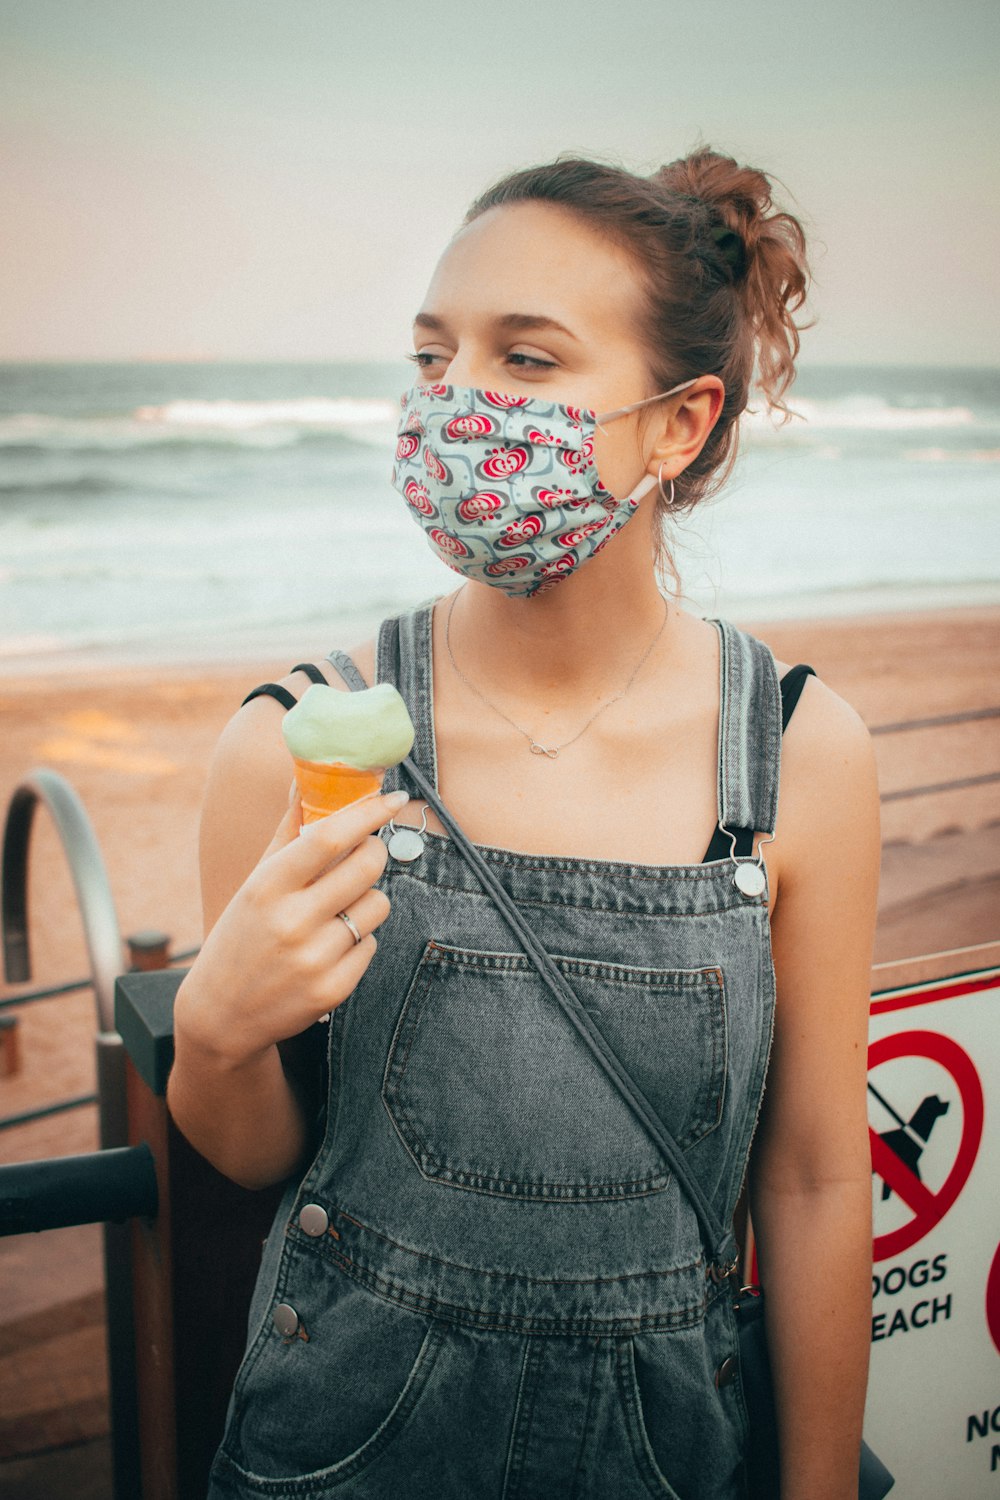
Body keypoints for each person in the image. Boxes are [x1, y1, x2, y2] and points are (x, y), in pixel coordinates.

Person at [168, 148, 880, 1499]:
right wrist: (214, 1030)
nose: (456, 402)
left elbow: (811, 1182)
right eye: (435, 358)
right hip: (341, 1443)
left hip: (672, 1452)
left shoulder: (800, 755)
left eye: (529, 360)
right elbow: (263, 1153)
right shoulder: (296, 736)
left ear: (677, 424)